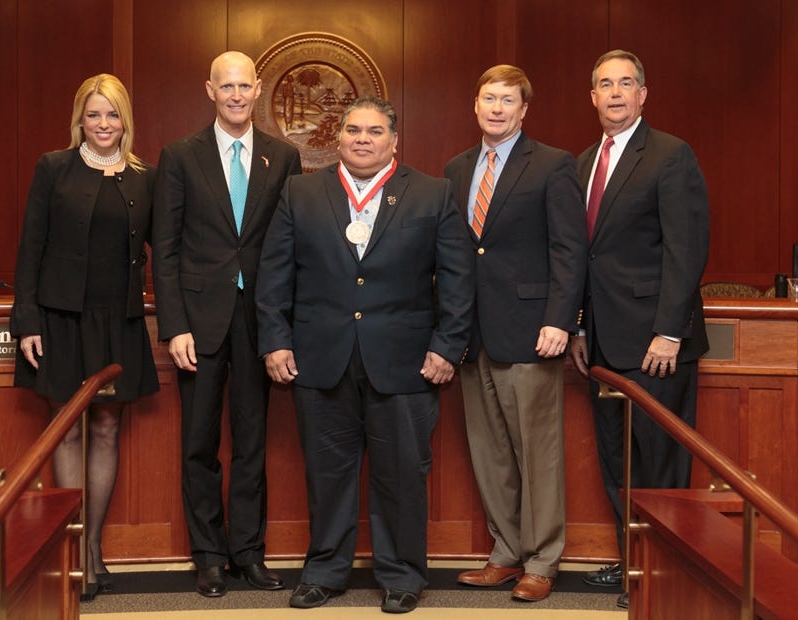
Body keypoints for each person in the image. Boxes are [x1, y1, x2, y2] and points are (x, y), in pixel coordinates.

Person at [256, 95, 475, 614]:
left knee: (401, 473)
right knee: (327, 474)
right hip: (319, 357)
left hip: (405, 362)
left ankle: (401, 575)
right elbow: (274, 277)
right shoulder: (301, 192)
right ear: (338, 137)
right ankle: (324, 571)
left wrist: (448, 346)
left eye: (375, 132)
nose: (362, 139)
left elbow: (460, 280)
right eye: (353, 130)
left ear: (394, 140)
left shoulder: (432, 194)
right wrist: (275, 339)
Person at [151, 51, 302, 598]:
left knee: (253, 442)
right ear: (209, 90)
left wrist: (283, 324)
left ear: (257, 90)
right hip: (200, 322)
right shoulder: (179, 156)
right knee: (199, 443)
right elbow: (163, 250)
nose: (237, 96)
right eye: (226, 87)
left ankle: (248, 553)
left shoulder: (282, 157)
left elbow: (288, 247)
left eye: (245, 86)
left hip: (259, 318)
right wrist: (175, 326)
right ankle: (209, 556)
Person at [569, 50, 710, 610]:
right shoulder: (582, 163)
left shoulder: (671, 156)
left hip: (656, 343)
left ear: (643, 94)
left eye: (626, 83)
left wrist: (669, 331)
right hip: (602, 342)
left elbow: (686, 248)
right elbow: (583, 256)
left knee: (661, 463)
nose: (616, 93)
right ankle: (635, 564)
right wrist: (579, 326)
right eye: (605, 84)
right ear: (593, 97)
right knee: (618, 461)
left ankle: (669, 572)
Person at [10, 73, 158, 601]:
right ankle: (70, 552)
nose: (103, 124)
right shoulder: (54, 168)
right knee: (66, 430)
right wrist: (26, 319)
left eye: (113, 115)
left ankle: (93, 549)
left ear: (126, 121)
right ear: (80, 120)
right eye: (94, 115)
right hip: (60, 320)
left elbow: (162, 251)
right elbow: (30, 248)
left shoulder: (145, 177)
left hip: (117, 321)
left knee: (104, 432)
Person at [444, 65, 587, 603]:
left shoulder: (552, 165)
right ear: (475, 105)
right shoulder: (456, 169)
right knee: (491, 452)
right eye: (489, 98)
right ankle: (505, 553)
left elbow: (568, 252)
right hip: (471, 335)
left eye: (508, 100)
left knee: (537, 452)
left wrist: (560, 319)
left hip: (532, 331)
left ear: (524, 110)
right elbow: (457, 254)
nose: (497, 108)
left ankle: (543, 559)